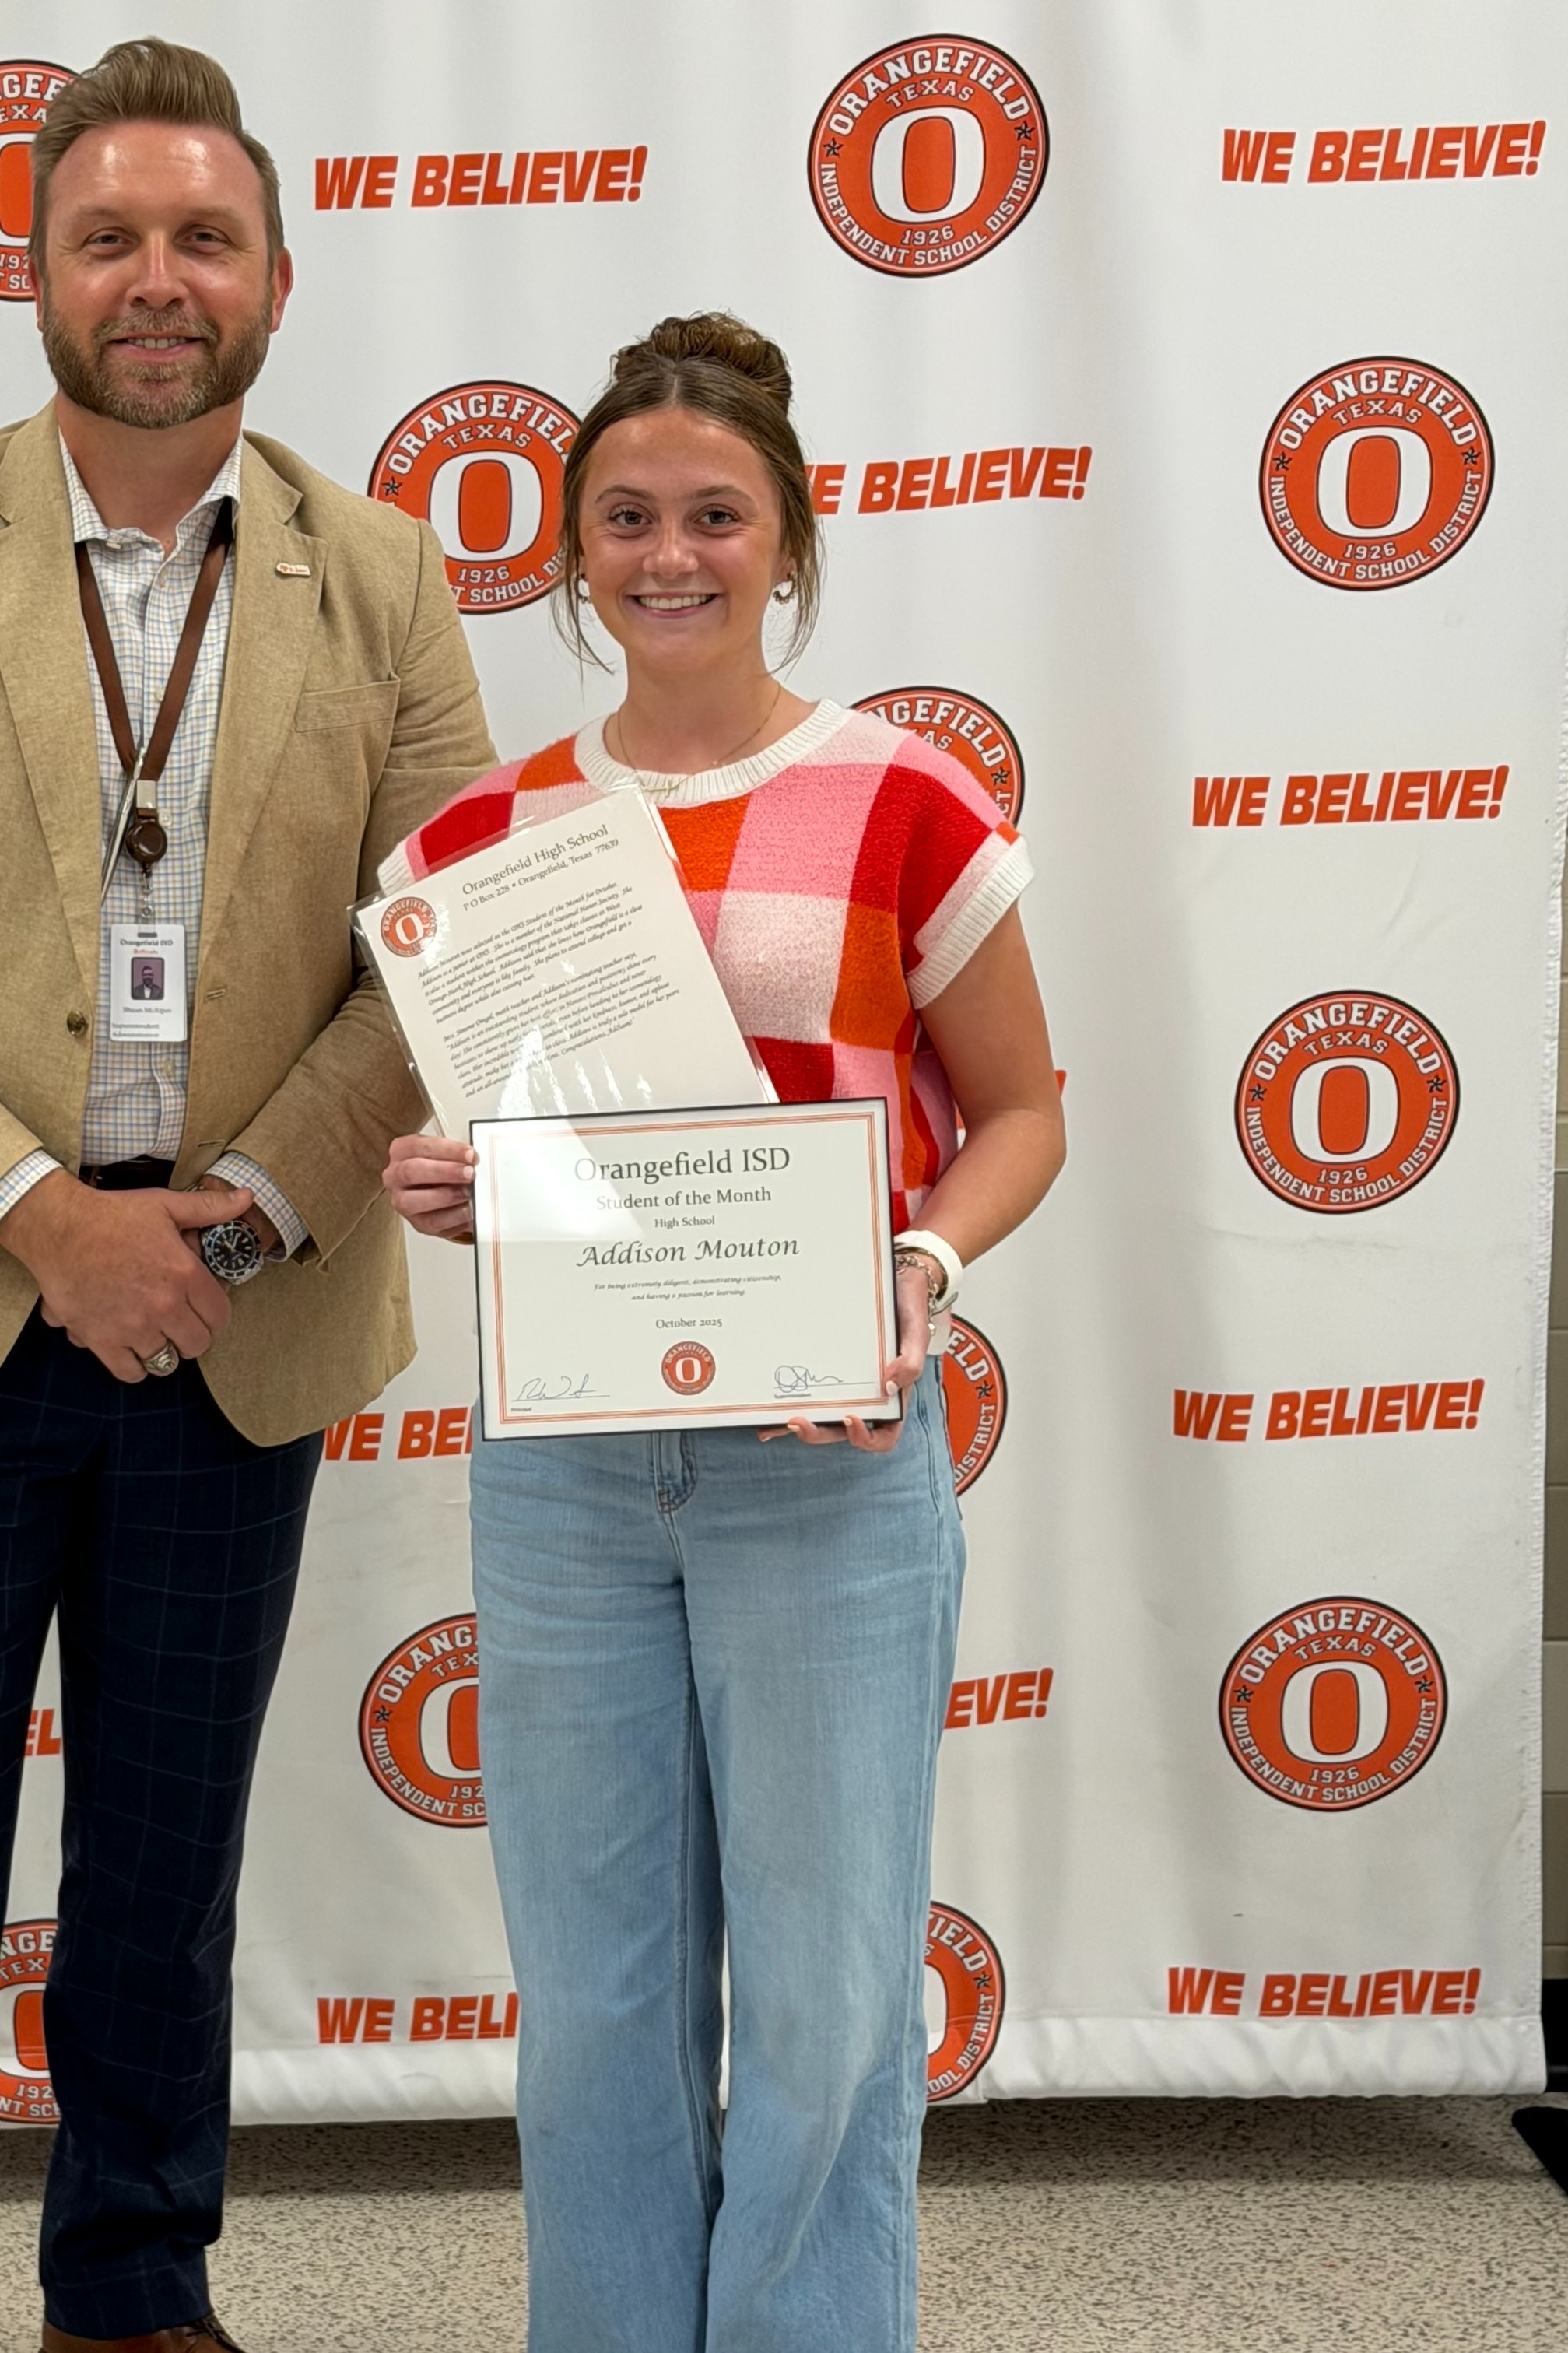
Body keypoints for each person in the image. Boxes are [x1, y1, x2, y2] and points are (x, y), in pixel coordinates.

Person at [0, 37, 494, 2353]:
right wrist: (55, 1225)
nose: (159, 281)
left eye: (203, 238)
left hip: (236, 1316)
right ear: (31, 268)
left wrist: (233, 1215)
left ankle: (134, 2293)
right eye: (110, 238)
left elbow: (439, 948)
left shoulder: (386, 577)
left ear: (273, 275)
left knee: (165, 1878)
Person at [381, 314, 1065, 2353]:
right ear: (572, 550)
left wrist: (917, 1271)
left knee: (837, 1990)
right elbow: (513, 1140)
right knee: (594, 1996)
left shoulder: (905, 799)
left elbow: (1022, 1111)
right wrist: (454, 1181)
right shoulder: (478, 848)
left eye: (714, 516)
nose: (669, 554)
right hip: (571, 1468)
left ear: (789, 537)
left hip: (832, 1471)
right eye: (626, 519)